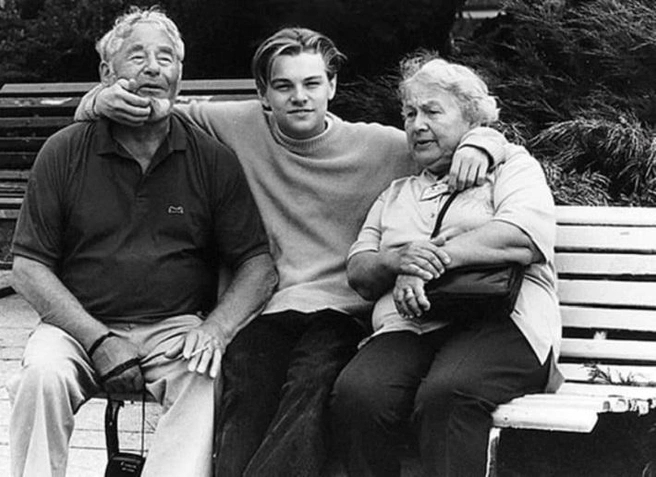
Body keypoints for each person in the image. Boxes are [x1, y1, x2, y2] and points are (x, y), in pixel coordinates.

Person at [75, 27, 510, 476]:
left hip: (344, 313)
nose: (299, 97)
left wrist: (483, 143)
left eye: (312, 83)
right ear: (263, 94)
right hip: (270, 310)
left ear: (332, 86)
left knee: (312, 380)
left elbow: (451, 136)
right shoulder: (237, 126)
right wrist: (98, 100)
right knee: (245, 381)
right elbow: (155, 111)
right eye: (283, 86)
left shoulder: (378, 146)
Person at [7, 6, 276, 477]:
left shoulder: (211, 158)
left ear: (179, 76)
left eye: (166, 58)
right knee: (41, 377)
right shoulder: (65, 151)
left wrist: (215, 330)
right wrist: (98, 340)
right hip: (76, 326)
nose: (153, 68)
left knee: (202, 373)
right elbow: (28, 269)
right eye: (137, 56)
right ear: (106, 75)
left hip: (173, 328)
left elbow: (258, 266)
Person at [330, 55, 562, 477]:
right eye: (409, 114)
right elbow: (360, 271)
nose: (417, 125)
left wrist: (427, 263)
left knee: (449, 393)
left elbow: (522, 236)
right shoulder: (397, 192)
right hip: (412, 326)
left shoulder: (512, 168)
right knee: (358, 394)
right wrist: (397, 259)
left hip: (502, 321)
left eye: (432, 112)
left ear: (471, 119)